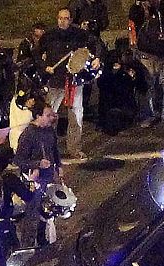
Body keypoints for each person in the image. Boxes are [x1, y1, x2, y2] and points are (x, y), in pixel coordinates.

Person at [40, 7, 102, 159]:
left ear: (70, 20)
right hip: (55, 81)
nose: (63, 21)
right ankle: (47, 150)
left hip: (74, 81)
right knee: (49, 117)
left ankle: (74, 148)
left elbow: (96, 44)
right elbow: (36, 52)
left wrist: (97, 58)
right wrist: (44, 66)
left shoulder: (79, 34)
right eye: (60, 18)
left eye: (66, 18)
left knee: (76, 115)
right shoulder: (49, 35)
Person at [129, 0, 164, 125]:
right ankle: (148, 114)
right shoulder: (138, 9)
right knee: (148, 87)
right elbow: (134, 28)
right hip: (147, 55)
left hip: (163, 53)